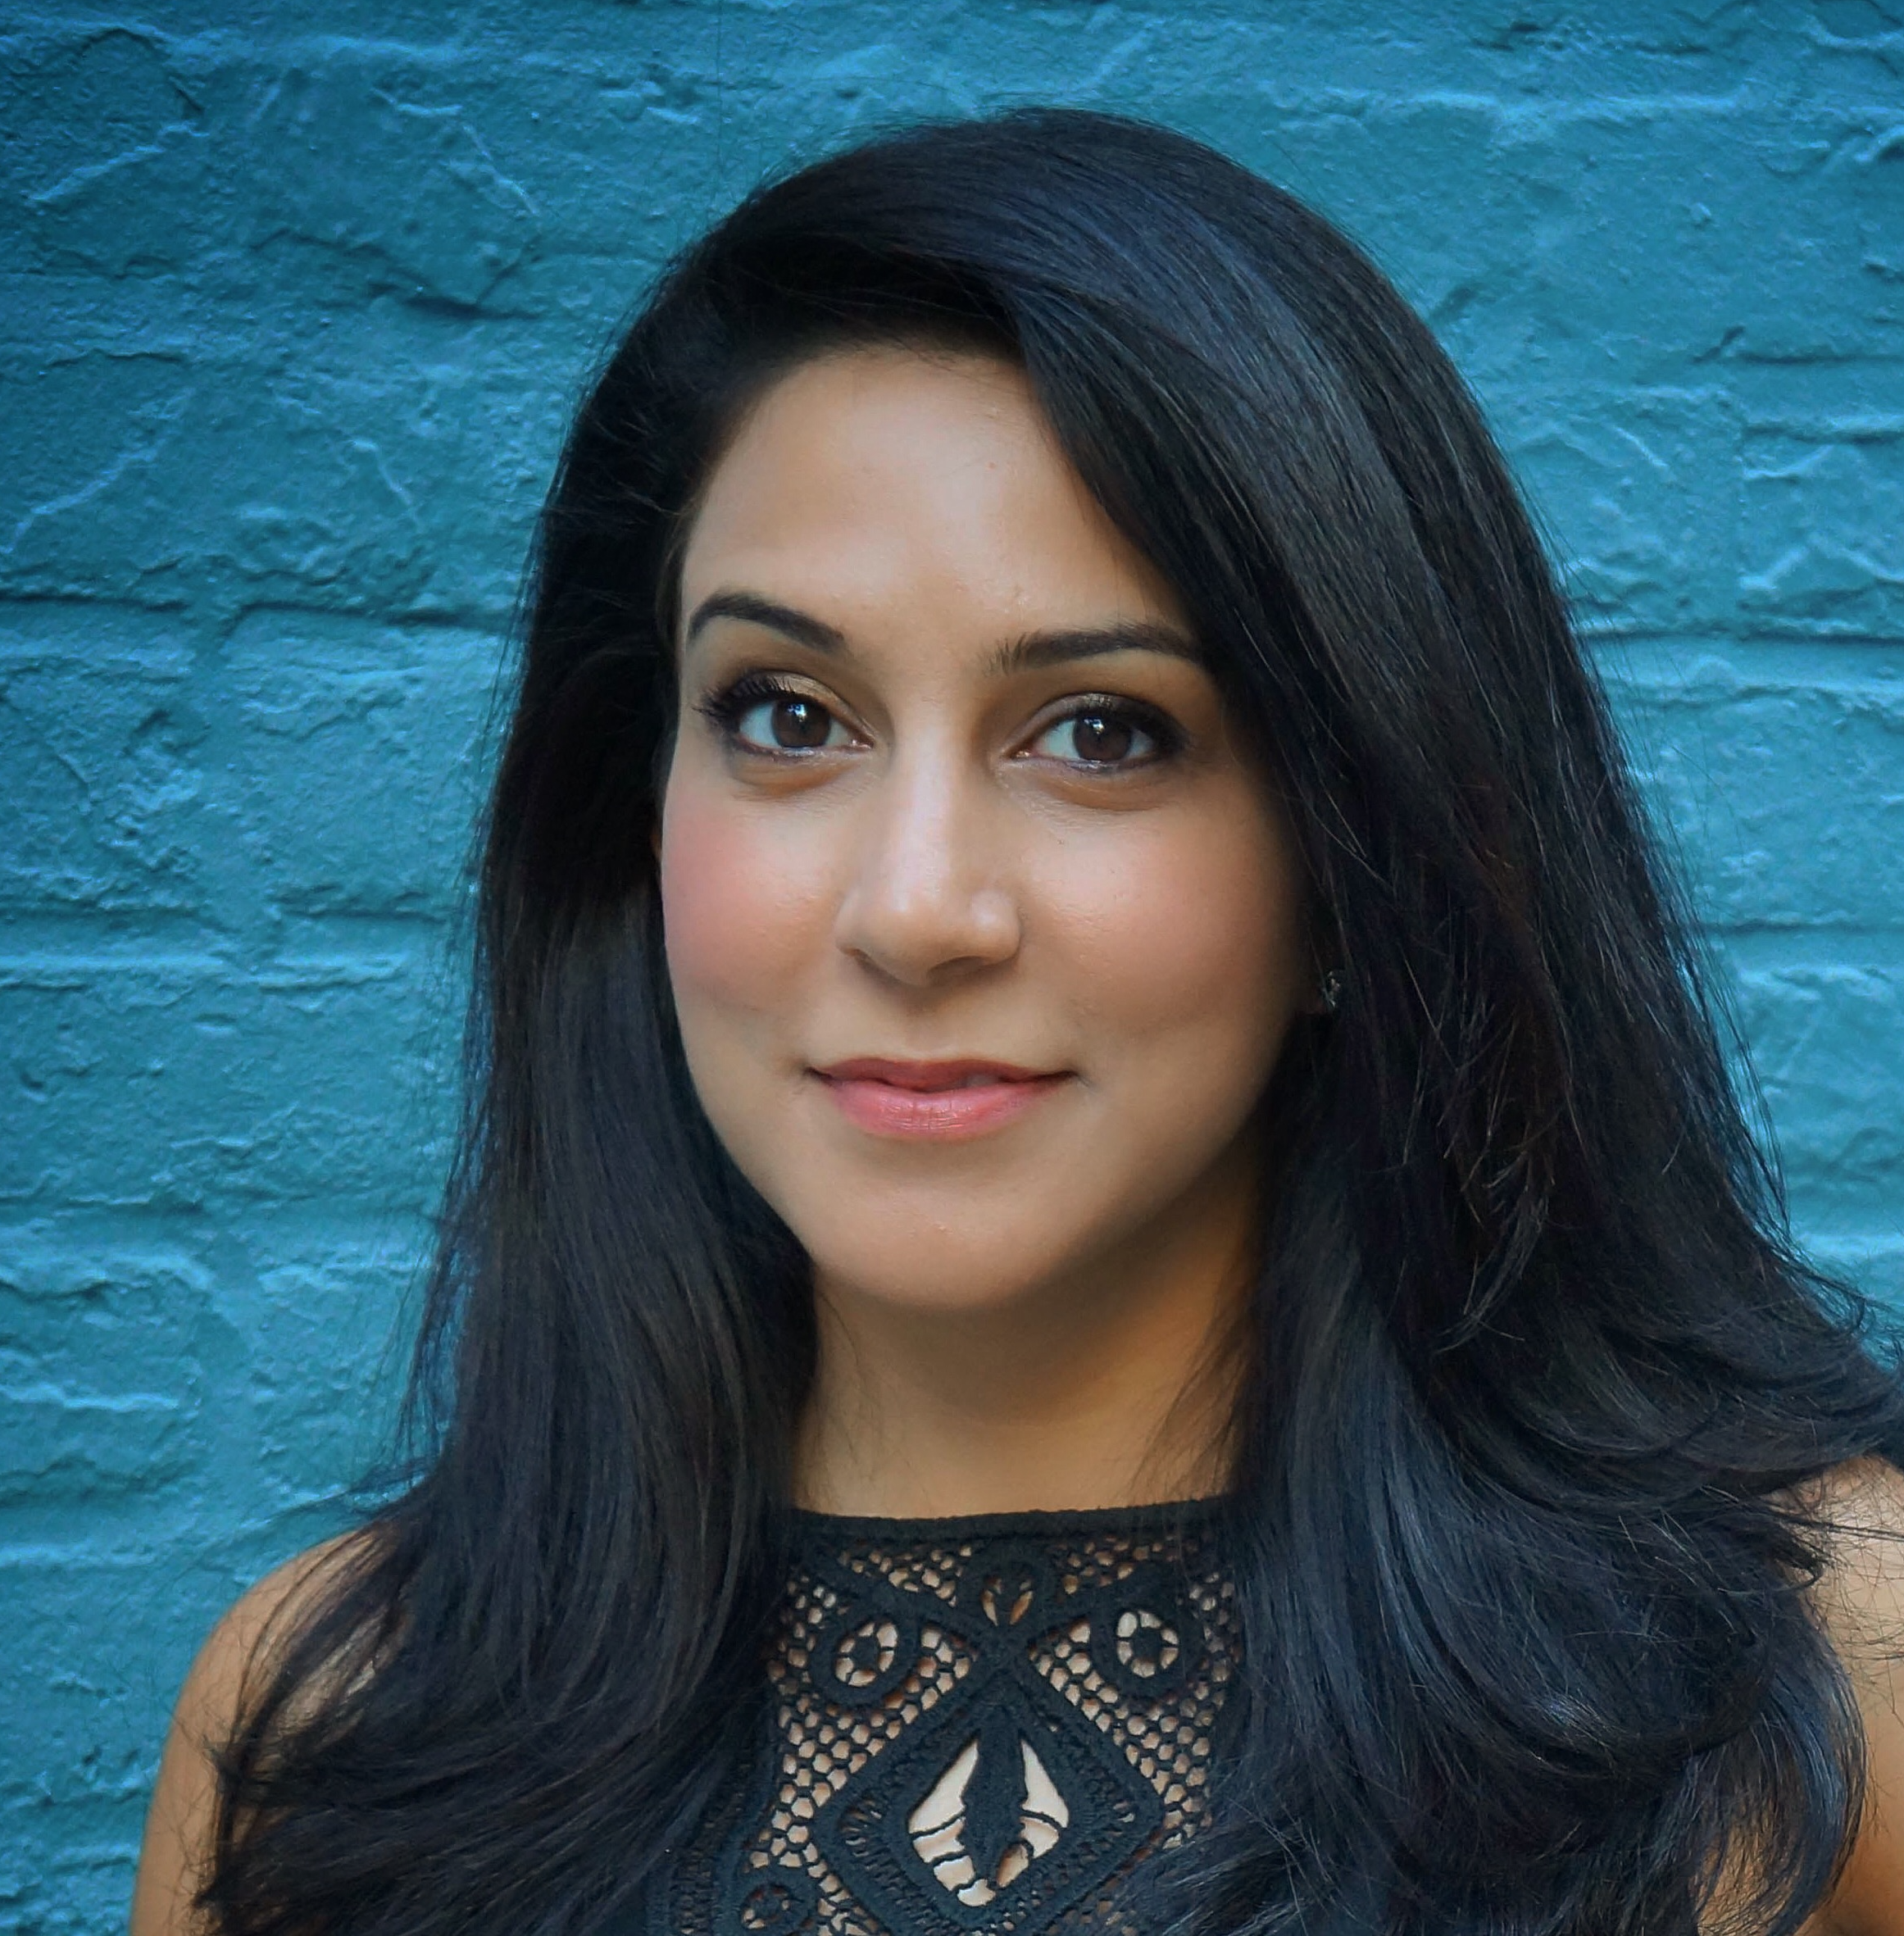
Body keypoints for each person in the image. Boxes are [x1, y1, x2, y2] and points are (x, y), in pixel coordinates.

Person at [130, 109, 1904, 1936]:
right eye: (789, 714)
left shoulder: (1818, 1663)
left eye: (1104, 732)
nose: (915, 909)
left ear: (1355, 860)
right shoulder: (331, 1712)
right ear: (628, 807)